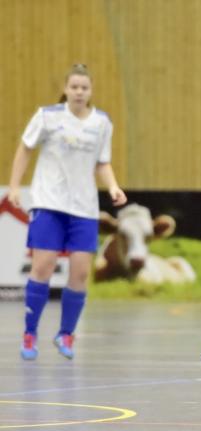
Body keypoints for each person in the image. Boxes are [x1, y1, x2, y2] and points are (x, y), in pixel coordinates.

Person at [7, 64, 127, 361]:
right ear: (66, 89)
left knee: (81, 272)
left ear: (91, 90)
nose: (79, 92)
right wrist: (14, 186)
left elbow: (103, 162)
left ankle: (66, 334)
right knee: (43, 267)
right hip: (49, 204)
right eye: (74, 87)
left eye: (84, 87)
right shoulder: (47, 116)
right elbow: (25, 148)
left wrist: (113, 186)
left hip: (84, 208)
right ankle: (30, 333)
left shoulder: (101, 122)